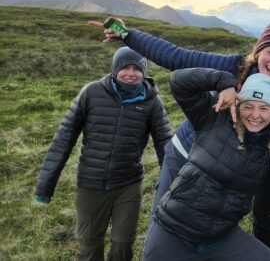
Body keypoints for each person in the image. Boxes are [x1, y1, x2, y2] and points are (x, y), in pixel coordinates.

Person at [88, 17, 270, 254]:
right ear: (258, 51)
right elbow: (175, 58)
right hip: (185, 152)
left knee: (209, 228)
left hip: (226, 166)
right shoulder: (231, 66)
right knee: (166, 223)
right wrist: (127, 34)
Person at [144, 70, 270, 260]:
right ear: (238, 104)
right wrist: (223, 82)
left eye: (264, 108)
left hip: (219, 239)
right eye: (248, 106)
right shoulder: (214, 118)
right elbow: (179, 81)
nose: (255, 115)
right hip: (173, 229)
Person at [34, 47, 172, 261]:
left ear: (144, 73)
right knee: (89, 244)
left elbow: (164, 143)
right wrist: (45, 185)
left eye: (137, 68)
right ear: (115, 68)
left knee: (123, 245)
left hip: (128, 183)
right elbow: (63, 139)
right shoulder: (91, 92)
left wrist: (172, 185)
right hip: (91, 183)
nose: (131, 73)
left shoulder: (152, 101)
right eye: (125, 67)